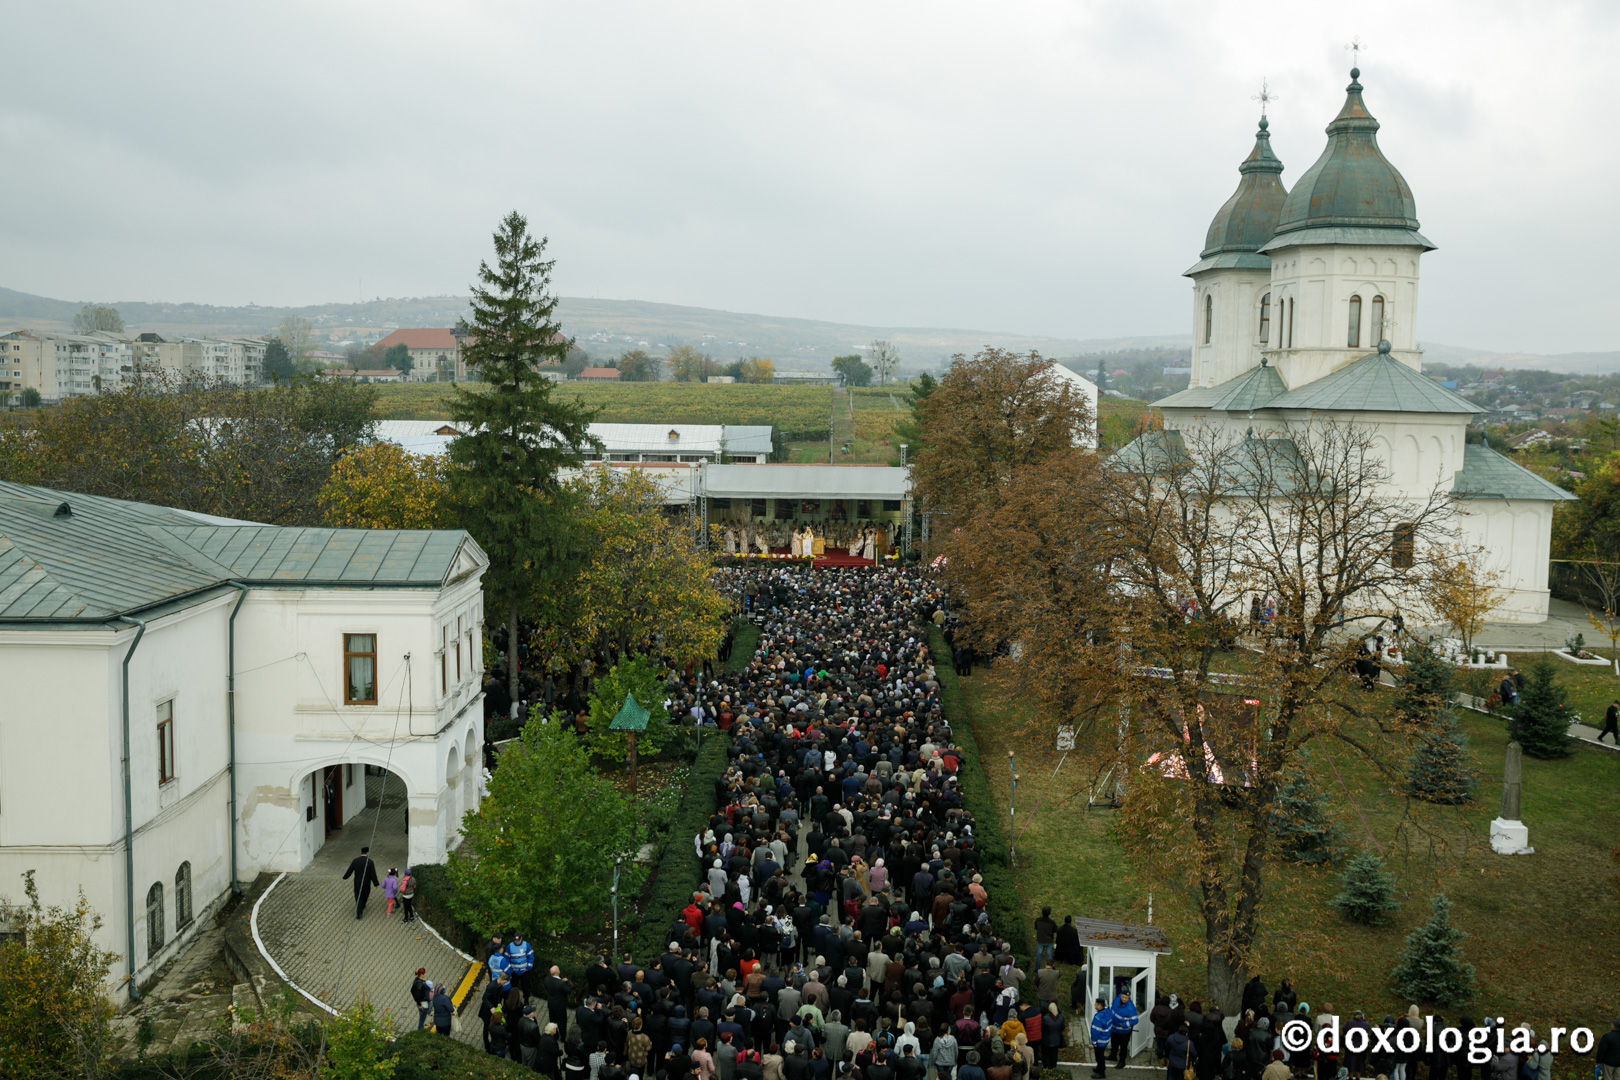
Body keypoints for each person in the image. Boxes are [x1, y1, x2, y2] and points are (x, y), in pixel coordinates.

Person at [341, 845, 380, 919]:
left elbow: (350, 870)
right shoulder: (370, 862)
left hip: (357, 881)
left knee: (358, 896)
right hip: (366, 881)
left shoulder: (355, 861)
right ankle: (363, 904)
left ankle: (359, 913)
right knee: (365, 894)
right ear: (367, 853)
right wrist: (375, 883)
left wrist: (345, 877)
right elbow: (373, 873)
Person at [1110, 988, 1139, 1068]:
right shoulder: (1116, 999)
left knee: (1123, 1047)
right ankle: (1113, 1056)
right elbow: (1112, 1008)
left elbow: (1135, 1020)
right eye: (1123, 997)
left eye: (1126, 998)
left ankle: (1122, 1062)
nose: (1124, 999)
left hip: (1124, 1032)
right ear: (1120, 996)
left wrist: (1123, 1025)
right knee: (1114, 1043)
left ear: (1129, 998)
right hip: (1114, 1028)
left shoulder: (1130, 1008)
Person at [1091, 996, 1113, 1079]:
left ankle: (1101, 1072)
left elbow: (1095, 1031)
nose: (1095, 1005)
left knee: (1099, 1057)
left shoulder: (1098, 1017)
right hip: (1105, 1039)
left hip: (1099, 1041)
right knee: (1101, 1056)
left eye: (1096, 1004)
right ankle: (1099, 1068)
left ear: (1100, 1006)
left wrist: (1094, 1042)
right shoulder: (1108, 1012)